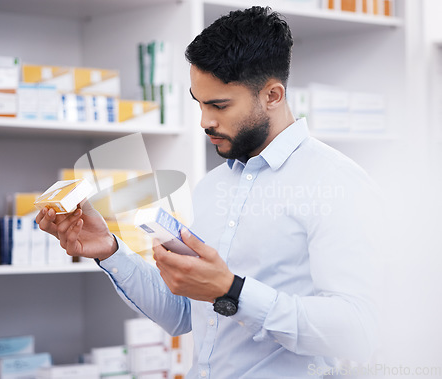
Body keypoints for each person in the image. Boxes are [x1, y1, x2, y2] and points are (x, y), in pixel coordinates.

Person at [37, 6, 380, 378]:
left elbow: (358, 330)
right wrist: (109, 249)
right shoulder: (213, 186)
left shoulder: (336, 182)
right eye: (199, 103)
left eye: (219, 105)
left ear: (273, 95)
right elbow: (183, 313)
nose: (204, 121)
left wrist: (231, 291)